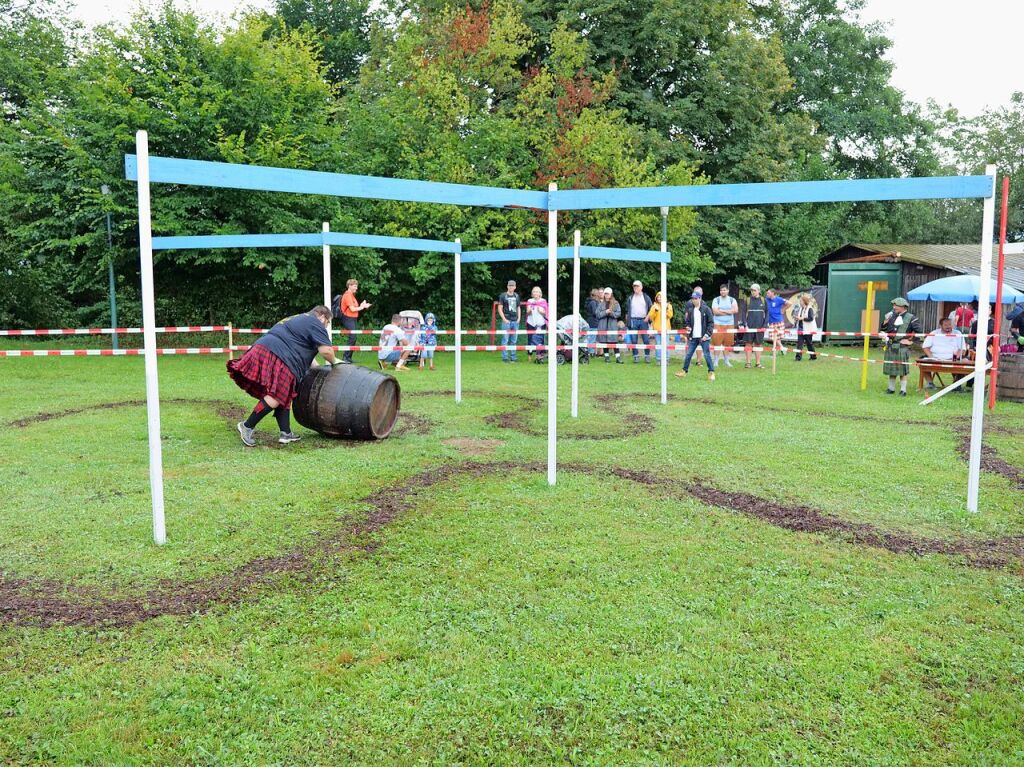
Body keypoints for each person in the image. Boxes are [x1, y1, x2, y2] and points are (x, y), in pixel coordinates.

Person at [228, 305, 337, 447]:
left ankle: (285, 433)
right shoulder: (315, 323)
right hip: (280, 355)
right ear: (323, 317)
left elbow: (306, 353)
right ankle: (247, 426)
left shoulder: (298, 318)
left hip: (265, 349)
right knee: (276, 395)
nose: (326, 326)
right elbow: (326, 351)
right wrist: (335, 362)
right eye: (327, 323)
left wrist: (317, 369)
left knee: (284, 394)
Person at [880, 297, 922, 395]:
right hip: (891, 345)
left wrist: (910, 341)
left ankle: (903, 390)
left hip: (901, 347)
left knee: (902, 370)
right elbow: (884, 329)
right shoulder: (891, 316)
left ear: (903, 306)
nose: (894, 307)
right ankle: (891, 389)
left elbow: (920, 332)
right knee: (892, 369)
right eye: (893, 305)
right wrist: (885, 323)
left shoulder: (911, 318)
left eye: (896, 305)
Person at [675, 292, 716, 380]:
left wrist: (707, 334)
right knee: (688, 354)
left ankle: (711, 372)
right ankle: (684, 371)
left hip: (704, 337)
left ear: (700, 298)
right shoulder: (690, 310)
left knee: (707, 355)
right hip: (693, 337)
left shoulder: (706, 309)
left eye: (696, 298)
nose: (694, 300)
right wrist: (688, 327)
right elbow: (688, 322)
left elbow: (711, 323)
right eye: (692, 298)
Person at [920, 317, 966, 389]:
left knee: (964, 362)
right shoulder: (934, 333)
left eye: (950, 324)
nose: (948, 326)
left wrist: (956, 357)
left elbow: (962, 349)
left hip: (953, 358)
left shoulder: (958, 333)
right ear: (940, 326)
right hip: (935, 358)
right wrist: (931, 357)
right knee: (921, 361)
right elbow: (925, 347)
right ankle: (930, 383)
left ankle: (956, 385)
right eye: (946, 325)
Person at [333, 279, 371, 364]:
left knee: (353, 337)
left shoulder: (351, 295)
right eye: (355, 286)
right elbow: (353, 309)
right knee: (353, 337)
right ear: (349, 286)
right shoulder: (347, 295)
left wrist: (363, 305)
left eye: (356, 286)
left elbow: (355, 307)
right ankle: (346, 357)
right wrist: (362, 307)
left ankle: (348, 358)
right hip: (348, 318)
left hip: (352, 318)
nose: (356, 288)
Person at [625, 280, 653, 363]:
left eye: (637, 286)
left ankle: (647, 356)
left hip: (644, 320)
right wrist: (628, 321)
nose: (635, 288)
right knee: (634, 340)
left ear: (641, 287)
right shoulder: (630, 298)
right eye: (634, 286)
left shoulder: (646, 297)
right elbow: (627, 310)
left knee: (646, 340)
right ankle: (636, 356)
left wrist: (649, 319)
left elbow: (651, 309)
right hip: (633, 320)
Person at [711, 284, 738, 368]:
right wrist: (729, 311)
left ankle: (726, 361)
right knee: (717, 343)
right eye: (721, 290)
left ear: (728, 291)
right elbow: (715, 312)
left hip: (729, 324)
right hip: (717, 324)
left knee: (728, 344)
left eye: (724, 290)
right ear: (720, 291)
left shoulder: (732, 300)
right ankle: (715, 361)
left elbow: (735, 310)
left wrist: (722, 310)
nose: (723, 292)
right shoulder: (716, 300)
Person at [742, 283, 768, 369]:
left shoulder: (764, 300)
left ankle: (758, 363)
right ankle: (748, 363)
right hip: (749, 327)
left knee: (758, 345)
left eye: (754, 290)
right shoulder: (748, 300)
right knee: (748, 344)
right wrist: (745, 325)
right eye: (752, 290)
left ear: (759, 291)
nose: (753, 292)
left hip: (760, 327)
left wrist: (764, 326)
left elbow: (767, 313)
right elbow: (743, 313)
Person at [645, 291, 674, 362]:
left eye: (661, 296)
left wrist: (666, 308)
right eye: (658, 297)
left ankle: (666, 359)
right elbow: (651, 317)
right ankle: (658, 359)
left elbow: (670, 316)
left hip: (666, 329)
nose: (659, 298)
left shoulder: (669, 305)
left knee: (666, 344)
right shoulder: (654, 306)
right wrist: (655, 310)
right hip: (657, 329)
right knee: (658, 344)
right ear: (656, 298)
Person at [596, 287, 622, 363]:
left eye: (608, 294)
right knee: (604, 342)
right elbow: (597, 314)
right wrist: (605, 312)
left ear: (611, 294)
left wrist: (611, 313)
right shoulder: (601, 304)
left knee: (614, 342)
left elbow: (618, 313)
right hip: (603, 325)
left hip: (612, 326)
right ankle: (606, 357)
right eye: (605, 294)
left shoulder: (616, 303)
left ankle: (618, 358)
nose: (606, 295)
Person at [497, 280, 521, 363]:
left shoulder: (516, 296)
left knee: (514, 341)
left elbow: (518, 307)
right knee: (505, 340)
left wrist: (519, 318)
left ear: (515, 287)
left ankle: (513, 358)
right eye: (509, 285)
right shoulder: (503, 296)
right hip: (506, 320)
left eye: (512, 285)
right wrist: (504, 319)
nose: (511, 287)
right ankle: (505, 358)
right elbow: (499, 308)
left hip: (515, 321)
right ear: (507, 286)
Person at [765, 288, 792, 355]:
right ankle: (782, 348)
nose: (767, 294)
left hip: (779, 320)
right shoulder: (766, 299)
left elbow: (790, 303)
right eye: (767, 293)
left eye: (768, 293)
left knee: (777, 337)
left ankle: (775, 350)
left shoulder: (779, 299)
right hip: (771, 321)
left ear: (773, 293)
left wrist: (783, 309)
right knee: (773, 337)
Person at [792, 293, 818, 361]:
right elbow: (800, 318)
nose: (800, 302)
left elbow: (810, 318)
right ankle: (798, 358)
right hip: (801, 328)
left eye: (801, 301)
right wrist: (797, 318)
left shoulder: (810, 309)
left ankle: (813, 357)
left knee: (809, 343)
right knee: (799, 344)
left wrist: (801, 318)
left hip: (808, 329)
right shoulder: (801, 309)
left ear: (804, 301)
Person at [525, 286, 549, 359]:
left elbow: (547, 313)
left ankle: (539, 356)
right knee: (530, 339)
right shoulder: (530, 301)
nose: (535, 293)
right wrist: (529, 311)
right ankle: (529, 356)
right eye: (534, 291)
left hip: (541, 323)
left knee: (540, 339)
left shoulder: (543, 301)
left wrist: (541, 312)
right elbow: (528, 313)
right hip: (531, 322)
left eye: (537, 291)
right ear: (532, 293)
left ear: (540, 293)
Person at [583, 288, 602, 353]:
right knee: (592, 338)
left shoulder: (590, 302)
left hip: (590, 321)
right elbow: (595, 312)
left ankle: (590, 351)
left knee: (590, 337)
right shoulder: (593, 302)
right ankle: (590, 352)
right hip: (593, 322)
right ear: (596, 295)